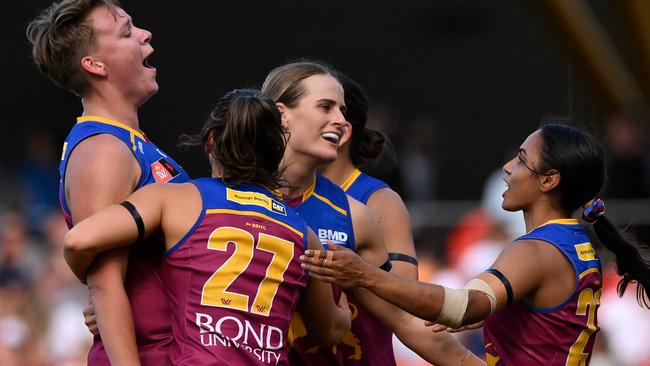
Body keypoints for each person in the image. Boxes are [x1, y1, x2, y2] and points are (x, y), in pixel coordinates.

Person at [302, 122, 650, 365]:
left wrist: (365, 275)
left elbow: (461, 306)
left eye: (521, 160)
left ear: (549, 180)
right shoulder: (573, 241)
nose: (508, 167)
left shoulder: (536, 250)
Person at [63, 88, 352, 365]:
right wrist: (347, 300)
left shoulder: (174, 200)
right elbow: (330, 332)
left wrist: (98, 289)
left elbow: (79, 241)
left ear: (210, 140)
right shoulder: (303, 234)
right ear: (278, 150)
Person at [262, 61, 479, 366]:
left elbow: (406, 315)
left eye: (342, 110)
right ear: (281, 113)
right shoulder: (223, 196)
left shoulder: (358, 211)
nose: (339, 120)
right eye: (326, 107)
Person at [26, 1, 190, 364]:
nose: (146, 35)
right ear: (95, 65)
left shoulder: (132, 143)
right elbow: (103, 285)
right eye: (127, 32)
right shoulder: (103, 151)